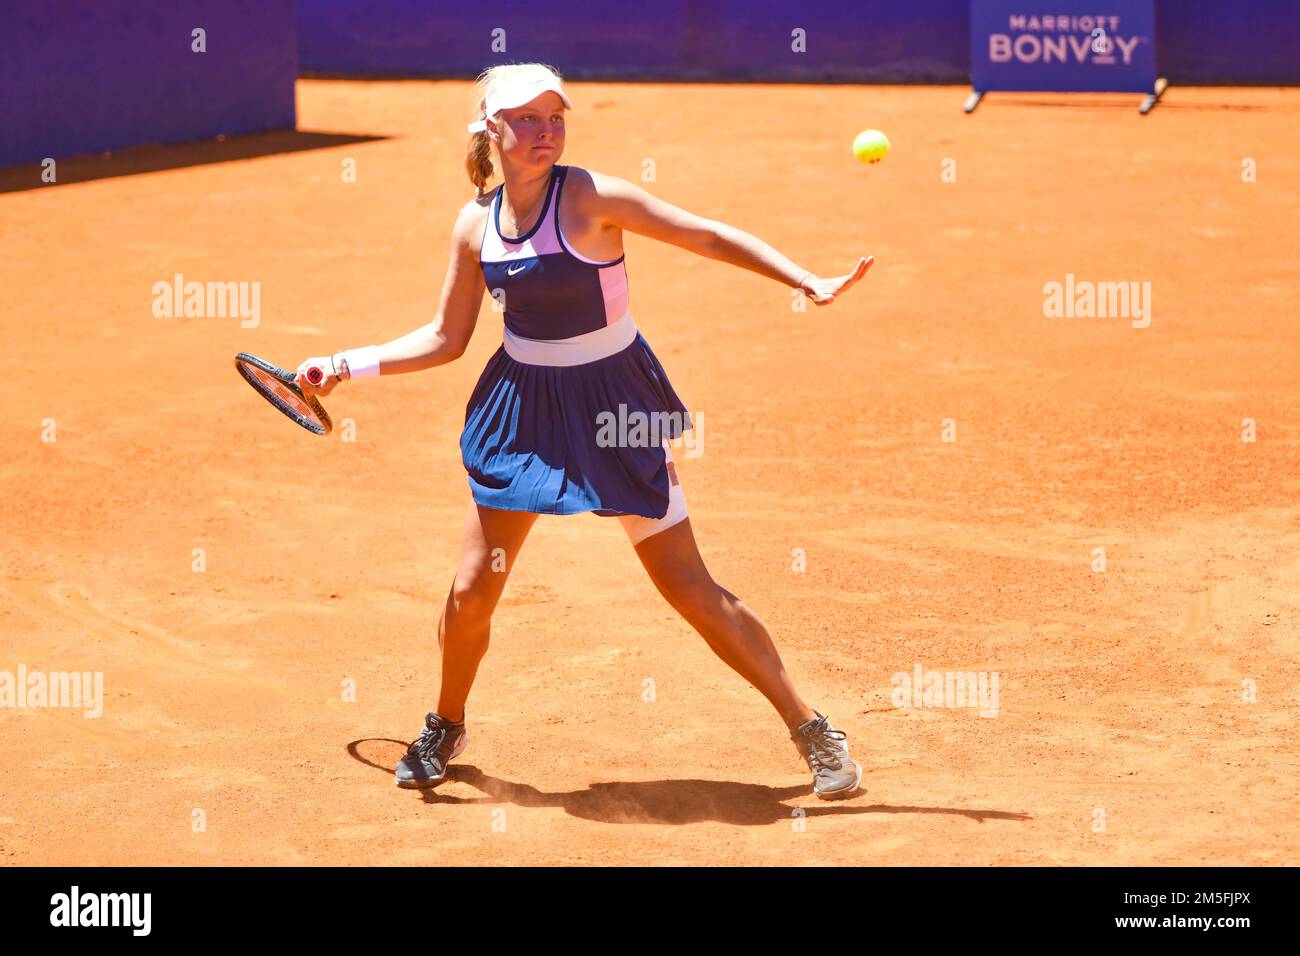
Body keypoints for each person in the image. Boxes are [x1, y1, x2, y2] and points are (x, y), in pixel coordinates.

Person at [295, 62, 873, 799]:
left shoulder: (592, 196)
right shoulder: (476, 223)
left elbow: (706, 235)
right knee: (474, 588)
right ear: (491, 130)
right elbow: (446, 337)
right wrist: (344, 363)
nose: (545, 132)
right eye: (526, 119)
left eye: (555, 118)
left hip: (615, 403)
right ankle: (446, 721)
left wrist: (805, 279)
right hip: (524, 405)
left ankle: (811, 727)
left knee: (687, 585)